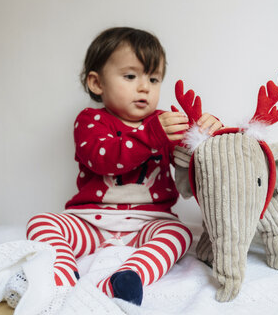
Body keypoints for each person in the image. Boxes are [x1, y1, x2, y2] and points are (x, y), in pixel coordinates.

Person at [25, 27, 222, 306]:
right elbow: (103, 158)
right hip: (92, 220)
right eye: (130, 76)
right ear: (97, 83)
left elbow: (194, 162)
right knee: (41, 222)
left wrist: (207, 133)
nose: (144, 87)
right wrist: (151, 136)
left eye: (154, 79)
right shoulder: (91, 121)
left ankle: (128, 276)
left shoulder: (165, 123)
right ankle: (64, 272)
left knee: (180, 235)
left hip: (148, 222)